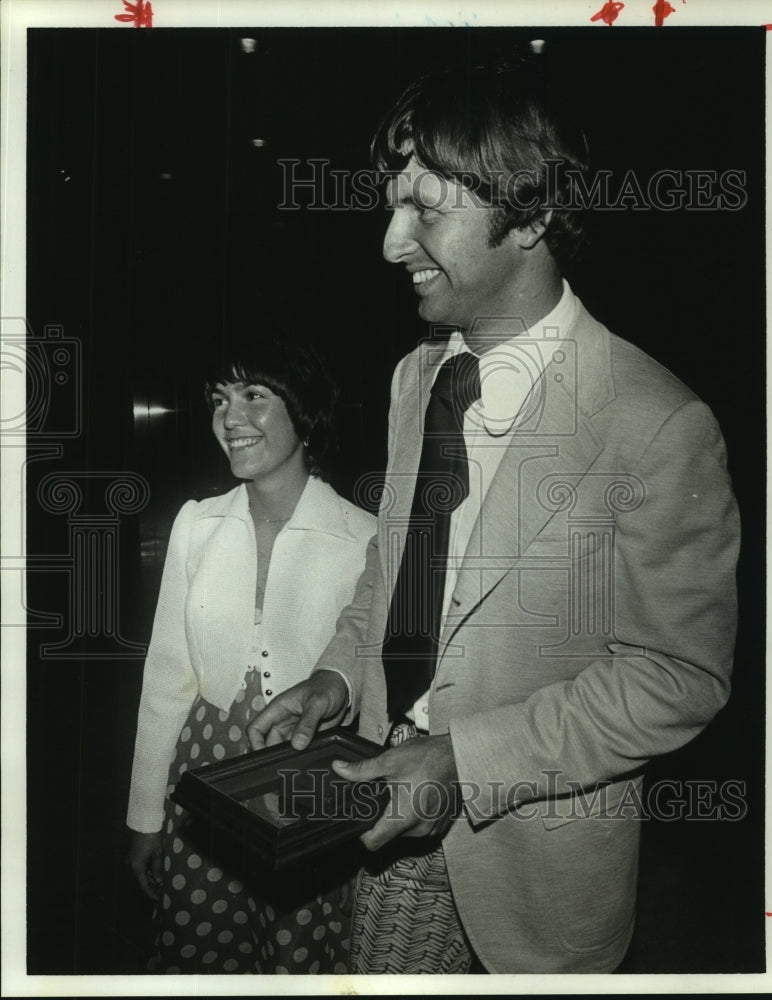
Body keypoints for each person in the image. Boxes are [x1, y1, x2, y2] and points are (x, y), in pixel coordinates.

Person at [248, 59, 740, 974]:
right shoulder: (413, 378)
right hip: (386, 819)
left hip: (541, 878)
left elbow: (680, 676)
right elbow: (392, 578)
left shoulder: (658, 423)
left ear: (534, 215)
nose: (392, 242)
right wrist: (338, 679)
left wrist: (465, 760)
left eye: (426, 209)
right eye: (393, 204)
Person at [126, 334, 376, 974]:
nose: (230, 418)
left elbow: (372, 692)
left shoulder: (365, 537)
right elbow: (166, 681)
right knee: (201, 949)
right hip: (204, 776)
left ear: (305, 409)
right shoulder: (196, 524)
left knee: (297, 956)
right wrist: (146, 815)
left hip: (308, 779)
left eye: (254, 396)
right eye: (219, 399)